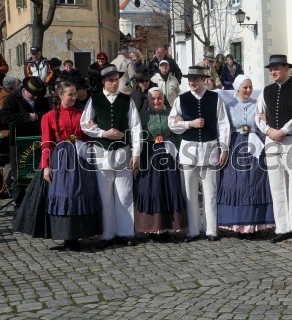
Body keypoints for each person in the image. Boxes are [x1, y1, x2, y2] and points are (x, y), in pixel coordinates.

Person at [80, 65, 142, 248]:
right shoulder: (95, 100)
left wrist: (136, 154)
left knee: (124, 194)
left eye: (116, 79)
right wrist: (102, 133)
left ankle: (125, 232)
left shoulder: (127, 100)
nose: (114, 83)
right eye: (110, 80)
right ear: (103, 82)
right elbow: (85, 125)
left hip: (123, 152)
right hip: (102, 153)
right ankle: (107, 234)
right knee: (105, 196)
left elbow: (136, 127)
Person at [168, 66, 230, 242]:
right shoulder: (181, 100)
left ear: (204, 79)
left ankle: (211, 230)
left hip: (210, 148)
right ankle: (193, 230)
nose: (192, 82)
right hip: (188, 150)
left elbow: (223, 125)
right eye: (190, 79)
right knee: (189, 191)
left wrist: (224, 148)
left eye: (196, 78)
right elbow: (172, 124)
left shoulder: (215, 98)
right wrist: (189, 124)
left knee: (210, 190)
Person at [40, 82, 103, 251]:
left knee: (81, 193)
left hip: (80, 159)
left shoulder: (81, 114)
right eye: (70, 94)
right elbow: (46, 143)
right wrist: (45, 166)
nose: (74, 97)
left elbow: (88, 138)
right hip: (61, 160)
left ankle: (78, 235)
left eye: (75, 94)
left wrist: (91, 129)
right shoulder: (48, 116)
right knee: (64, 194)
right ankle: (66, 235)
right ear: (60, 95)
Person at [256, 54, 292, 244]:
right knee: (276, 185)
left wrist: (284, 131)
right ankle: (282, 227)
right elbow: (258, 115)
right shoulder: (266, 90)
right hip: (271, 140)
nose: (274, 71)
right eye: (271, 69)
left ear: (287, 68)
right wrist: (269, 130)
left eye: (277, 68)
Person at [217, 75, 274, 238]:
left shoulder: (258, 105)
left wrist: (266, 118)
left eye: (250, 87)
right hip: (235, 145)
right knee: (235, 182)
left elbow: (264, 125)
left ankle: (254, 224)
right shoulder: (228, 106)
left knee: (254, 181)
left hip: (254, 145)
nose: (249, 90)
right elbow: (223, 127)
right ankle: (236, 223)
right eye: (245, 87)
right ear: (237, 88)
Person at [135, 87, 187, 241]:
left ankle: (167, 227)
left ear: (163, 98)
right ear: (148, 100)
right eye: (153, 98)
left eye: (159, 98)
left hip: (168, 155)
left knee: (168, 188)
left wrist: (177, 129)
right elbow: (138, 136)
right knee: (152, 189)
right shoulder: (143, 116)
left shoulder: (170, 114)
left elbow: (178, 134)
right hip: (149, 156)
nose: (156, 101)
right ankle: (151, 228)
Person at [0, 76, 51, 205]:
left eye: (37, 95)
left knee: (38, 170)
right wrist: (26, 116)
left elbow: (47, 116)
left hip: (37, 139)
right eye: (33, 95)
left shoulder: (42, 101)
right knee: (20, 174)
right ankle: (20, 204)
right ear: (25, 90)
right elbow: (5, 118)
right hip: (18, 141)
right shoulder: (12, 99)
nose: (35, 98)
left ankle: (40, 201)